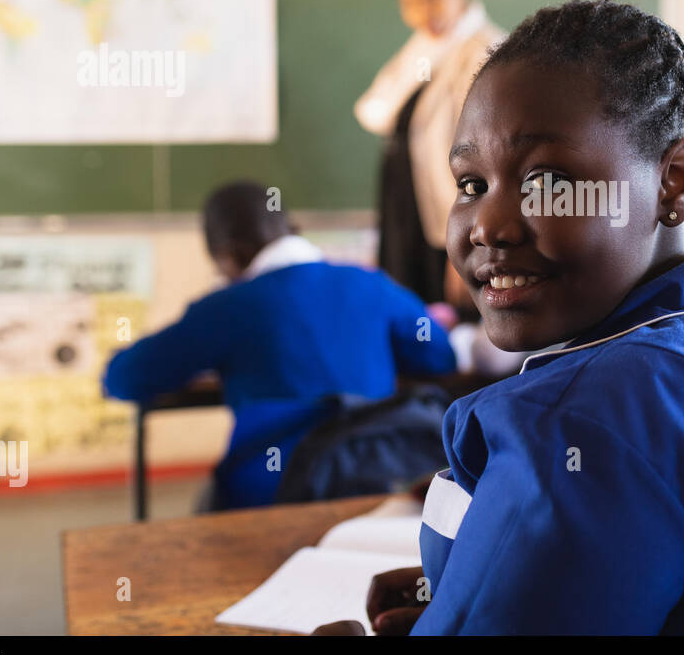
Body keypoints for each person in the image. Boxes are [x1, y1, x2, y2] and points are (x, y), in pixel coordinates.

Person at [360, 0, 684, 635]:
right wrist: (470, 588)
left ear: (674, 182)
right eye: (471, 185)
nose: (491, 225)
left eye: (548, 180)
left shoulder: (575, 426)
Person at [102, 180, 456, 510]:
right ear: (294, 229)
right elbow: (439, 356)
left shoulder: (229, 306)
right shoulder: (370, 283)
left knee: (203, 519)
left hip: (273, 490)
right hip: (380, 475)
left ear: (230, 256)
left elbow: (125, 380)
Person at [355, 0, 503, 309]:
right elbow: (374, 110)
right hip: (410, 210)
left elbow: (487, 156)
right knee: (412, 310)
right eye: (410, 2)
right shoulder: (422, 49)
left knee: (451, 318)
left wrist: (468, 237)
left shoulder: (486, 50)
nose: (423, 11)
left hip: (449, 216)